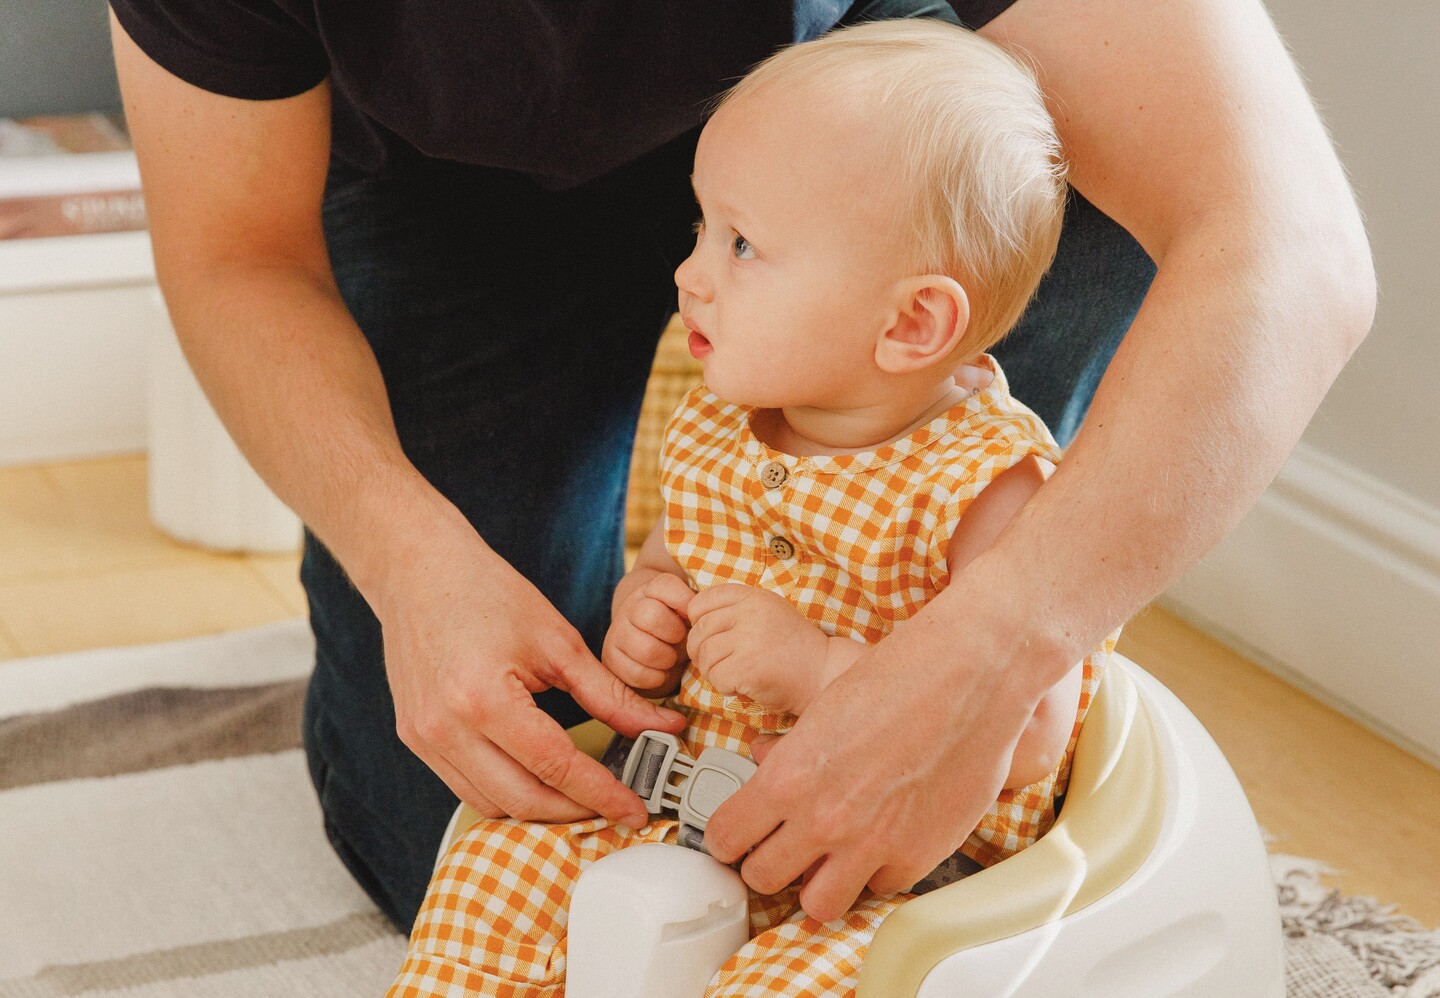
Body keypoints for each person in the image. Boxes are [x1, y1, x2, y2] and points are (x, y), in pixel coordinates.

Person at [108, 0, 1373, 940]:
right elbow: (234, 251)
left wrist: (991, 646)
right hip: (457, 197)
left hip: (871, 108)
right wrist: (411, 559)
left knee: (935, 848)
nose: (690, 272)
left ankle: (936, 649)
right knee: (440, 834)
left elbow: (1286, 245)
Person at [322, 21, 1107, 998]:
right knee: (499, 830)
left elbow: (1032, 734)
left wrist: (819, 667)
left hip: (885, 878)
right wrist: (650, 615)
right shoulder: (723, 415)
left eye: (743, 244)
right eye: (701, 225)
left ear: (911, 323)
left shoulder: (988, 480)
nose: (689, 268)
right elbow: (678, 574)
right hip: (701, 787)